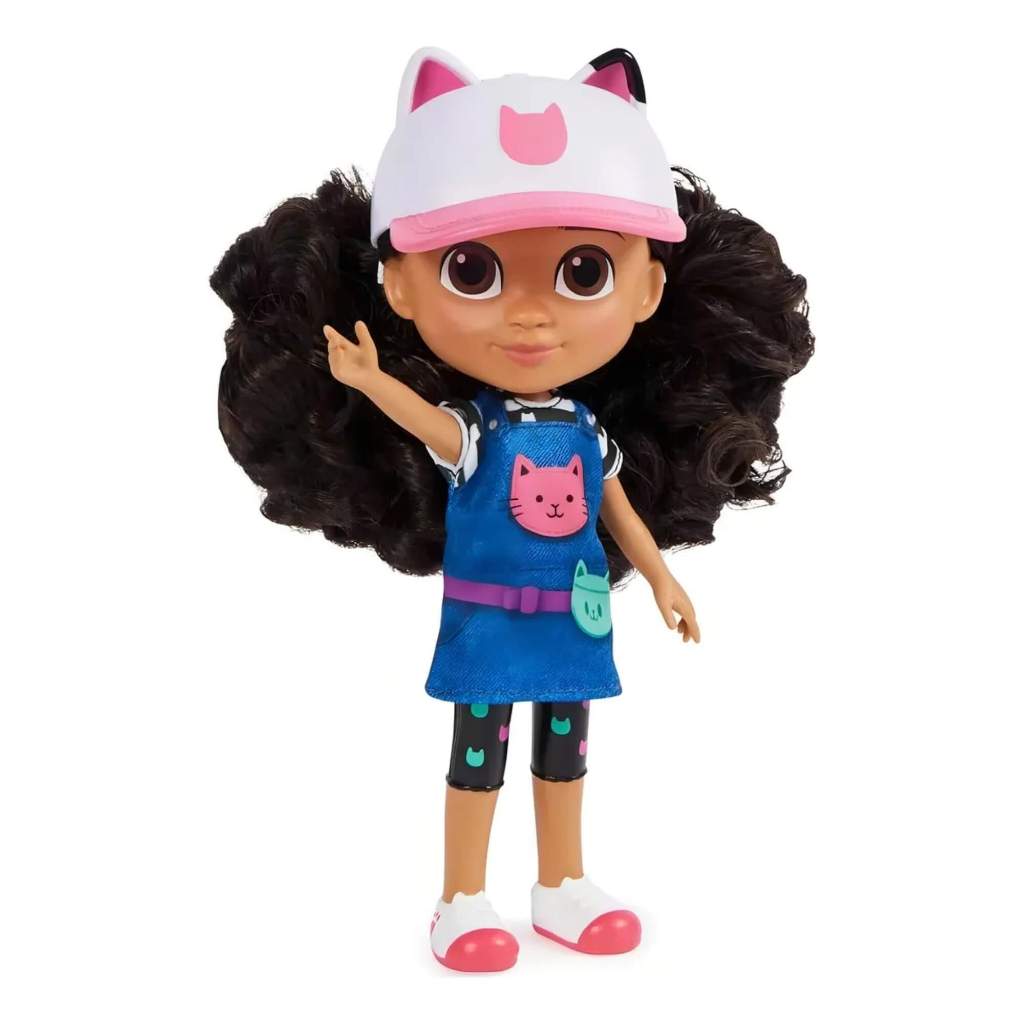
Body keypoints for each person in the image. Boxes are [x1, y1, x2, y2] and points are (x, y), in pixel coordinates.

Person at [212, 46, 813, 972]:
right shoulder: (477, 429)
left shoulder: (584, 429)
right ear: (400, 282)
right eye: (472, 270)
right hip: (488, 629)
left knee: (566, 753)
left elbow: (616, 507)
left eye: (584, 272)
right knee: (478, 757)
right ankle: (461, 898)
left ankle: (562, 883)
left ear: (648, 286)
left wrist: (661, 579)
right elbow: (429, 426)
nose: (531, 316)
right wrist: (369, 381)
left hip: (574, 622)